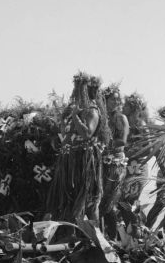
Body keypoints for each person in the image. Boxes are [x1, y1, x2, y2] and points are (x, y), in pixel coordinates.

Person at [46, 72, 110, 222]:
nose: (76, 92)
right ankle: (70, 232)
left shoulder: (92, 110)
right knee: (65, 197)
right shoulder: (75, 109)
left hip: (85, 160)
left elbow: (87, 133)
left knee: (87, 199)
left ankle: (95, 236)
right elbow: (65, 132)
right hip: (69, 158)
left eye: (80, 89)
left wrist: (75, 116)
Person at [101, 84, 129, 238]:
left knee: (110, 202)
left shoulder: (121, 118)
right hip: (101, 164)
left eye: (118, 100)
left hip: (116, 165)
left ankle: (113, 238)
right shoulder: (101, 117)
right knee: (99, 200)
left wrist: (104, 145)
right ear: (105, 100)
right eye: (113, 99)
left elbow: (122, 142)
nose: (116, 102)